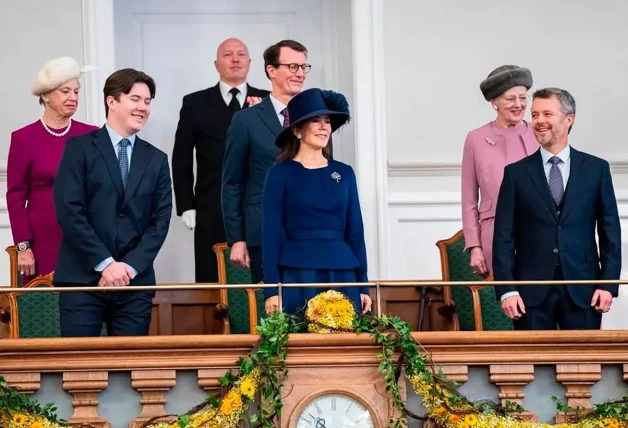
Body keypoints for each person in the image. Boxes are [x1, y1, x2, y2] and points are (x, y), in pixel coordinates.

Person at [53, 68, 172, 337]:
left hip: (134, 284)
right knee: (80, 370)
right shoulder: (79, 148)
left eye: (148, 101)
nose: (143, 107)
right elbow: (69, 210)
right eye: (135, 99)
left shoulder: (157, 160)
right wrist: (106, 263)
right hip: (81, 281)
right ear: (112, 101)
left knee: (130, 372)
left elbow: (160, 222)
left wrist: (127, 268)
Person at [493, 87, 622, 330]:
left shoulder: (597, 169)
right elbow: (503, 238)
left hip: (585, 288)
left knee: (583, 365)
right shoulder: (515, 173)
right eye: (534, 115)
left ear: (569, 119)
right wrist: (507, 289)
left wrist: (607, 284)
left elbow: (610, 233)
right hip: (529, 292)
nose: (539, 121)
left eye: (547, 114)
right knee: (531, 365)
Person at [262, 88, 372, 316]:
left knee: (347, 345)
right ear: (297, 129)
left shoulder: (345, 173)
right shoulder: (279, 174)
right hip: (297, 272)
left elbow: (355, 232)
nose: (324, 127)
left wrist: (363, 286)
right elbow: (270, 234)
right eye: (315, 120)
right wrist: (271, 289)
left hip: (343, 271)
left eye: (328, 121)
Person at [172, 38, 270, 283]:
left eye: (241, 54)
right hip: (210, 204)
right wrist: (186, 205)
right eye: (228, 55)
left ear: (250, 63)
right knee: (211, 274)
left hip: (260, 202)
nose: (235, 59)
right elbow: (181, 157)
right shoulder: (194, 103)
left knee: (261, 274)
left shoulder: (269, 101)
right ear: (217, 64)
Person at [222, 39, 311, 284]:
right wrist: (237, 239)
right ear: (271, 70)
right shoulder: (245, 120)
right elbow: (232, 184)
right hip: (263, 232)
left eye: (304, 67)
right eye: (293, 67)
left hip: (311, 234)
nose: (300, 73)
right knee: (273, 314)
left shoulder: (316, 119)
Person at [6, 56, 98, 285]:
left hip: (83, 234)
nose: (73, 98)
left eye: (76, 92)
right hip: (42, 238)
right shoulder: (23, 138)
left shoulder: (91, 135)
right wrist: (24, 246)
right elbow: (15, 196)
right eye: (65, 91)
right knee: (43, 308)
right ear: (45, 95)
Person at [461, 65, 538, 277]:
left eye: (523, 98)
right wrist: (474, 246)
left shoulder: (539, 132)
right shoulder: (475, 139)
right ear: (494, 102)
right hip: (494, 232)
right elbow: (468, 198)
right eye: (510, 99)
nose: (518, 104)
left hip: (539, 231)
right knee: (503, 301)